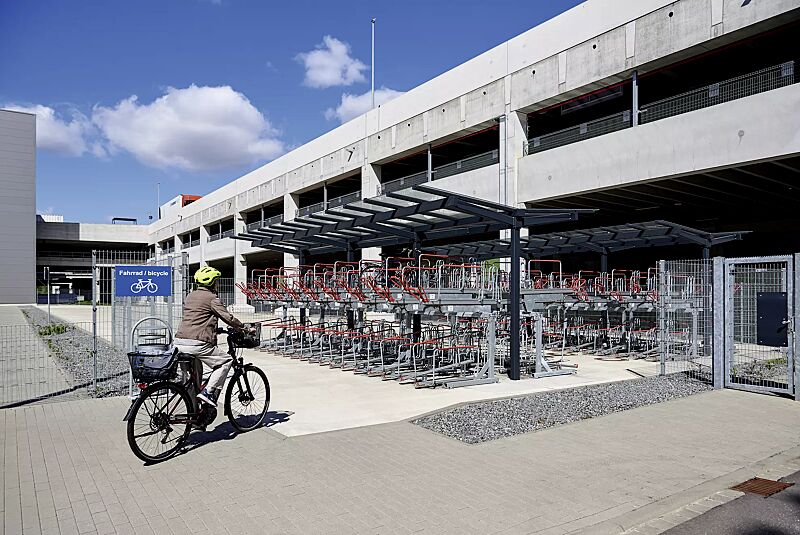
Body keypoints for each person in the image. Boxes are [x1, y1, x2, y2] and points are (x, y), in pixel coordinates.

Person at [174, 266, 246, 407]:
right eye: (217, 281)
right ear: (212, 282)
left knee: (194, 380)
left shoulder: (190, 296)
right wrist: (243, 328)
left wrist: (214, 329)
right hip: (197, 344)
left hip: (180, 342)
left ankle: (195, 416)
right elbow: (228, 317)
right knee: (225, 361)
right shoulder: (212, 298)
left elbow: (198, 317)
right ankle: (209, 392)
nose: (218, 283)